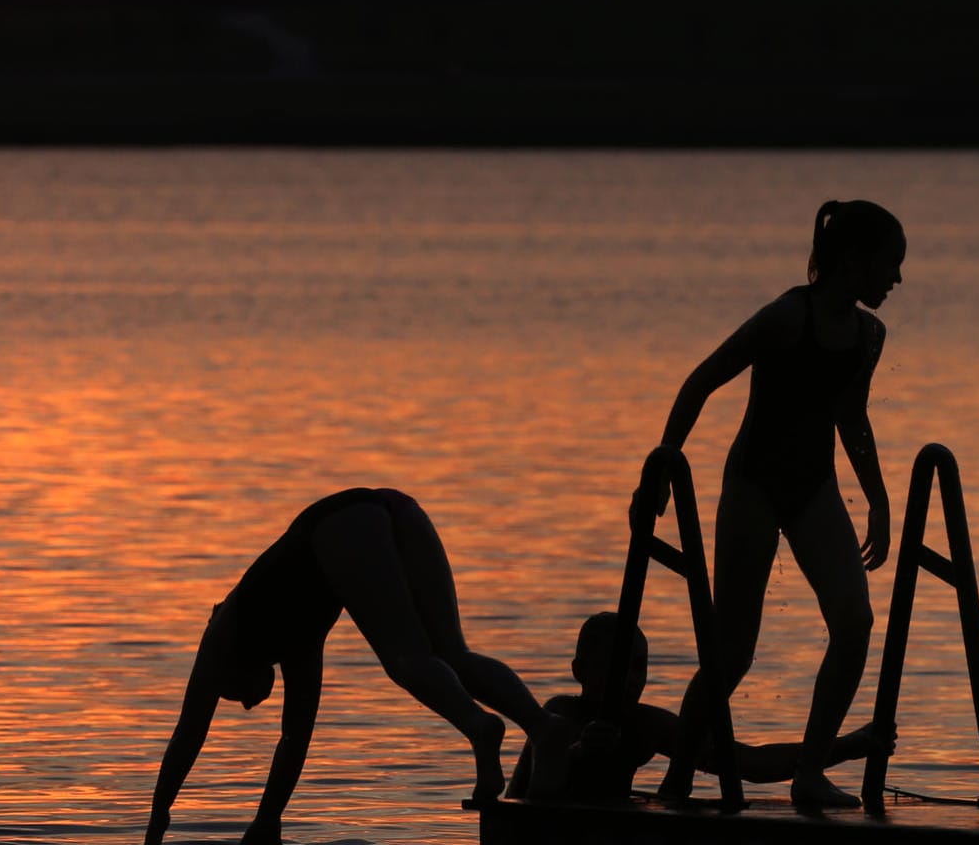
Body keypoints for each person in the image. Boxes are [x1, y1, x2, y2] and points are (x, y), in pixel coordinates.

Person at [634, 199, 905, 810]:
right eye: (890, 264)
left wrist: (879, 502)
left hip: (814, 490)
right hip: (753, 487)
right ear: (855, 261)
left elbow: (852, 419)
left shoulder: (869, 335)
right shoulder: (788, 316)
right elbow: (702, 380)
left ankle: (810, 770)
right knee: (733, 652)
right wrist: (659, 471)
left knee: (855, 622)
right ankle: (678, 780)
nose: (897, 279)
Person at [142, 487, 567, 845]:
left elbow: (189, 732)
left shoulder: (221, 632)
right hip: (395, 506)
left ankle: (479, 727)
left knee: (407, 660)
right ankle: (543, 727)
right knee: (452, 655)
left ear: (231, 671)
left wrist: (156, 823)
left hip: (342, 526)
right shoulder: (298, 644)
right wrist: (267, 820)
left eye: (232, 696)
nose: (248, 706)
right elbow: (294, 738)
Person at [502, 612, 895, 802]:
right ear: (579, 672)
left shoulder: (644, 724)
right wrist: (581, 753)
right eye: (615, 665)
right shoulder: (559, 715)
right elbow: (538, 799)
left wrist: (846, 747)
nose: (629, 679)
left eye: (639, 667)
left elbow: (747, 763)